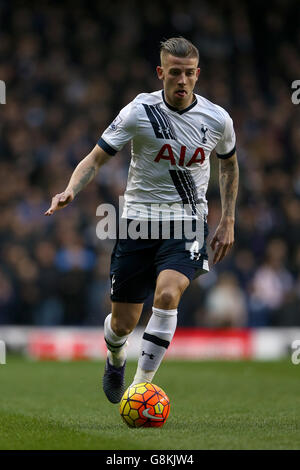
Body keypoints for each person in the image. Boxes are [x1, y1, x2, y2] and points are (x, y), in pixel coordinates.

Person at [45, 37, 239, 404]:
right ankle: (115, 357)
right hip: (137, 223)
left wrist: (228, 218)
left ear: (198, 75)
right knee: (121, 325)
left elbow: (228, 165)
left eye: (188, 73)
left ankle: (140, 386)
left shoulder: (217, 119)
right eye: (174, 73)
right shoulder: (139, 111)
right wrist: (70, 189)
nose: (182, 80)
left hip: (187, 223)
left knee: (168, 294)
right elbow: (96, 158)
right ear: (160, 72)